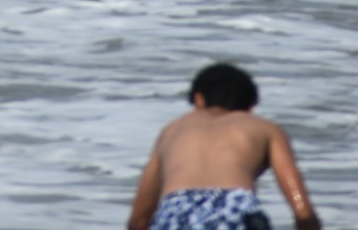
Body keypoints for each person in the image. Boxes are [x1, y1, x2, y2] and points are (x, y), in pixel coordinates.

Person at [127, 63, 321, 230]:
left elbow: (139, 219)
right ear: (250, 105)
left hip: (176, 211)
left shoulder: (171, 131)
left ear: (199, 99)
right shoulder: (265, 128)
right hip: (235, 209)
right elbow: (303, 212)